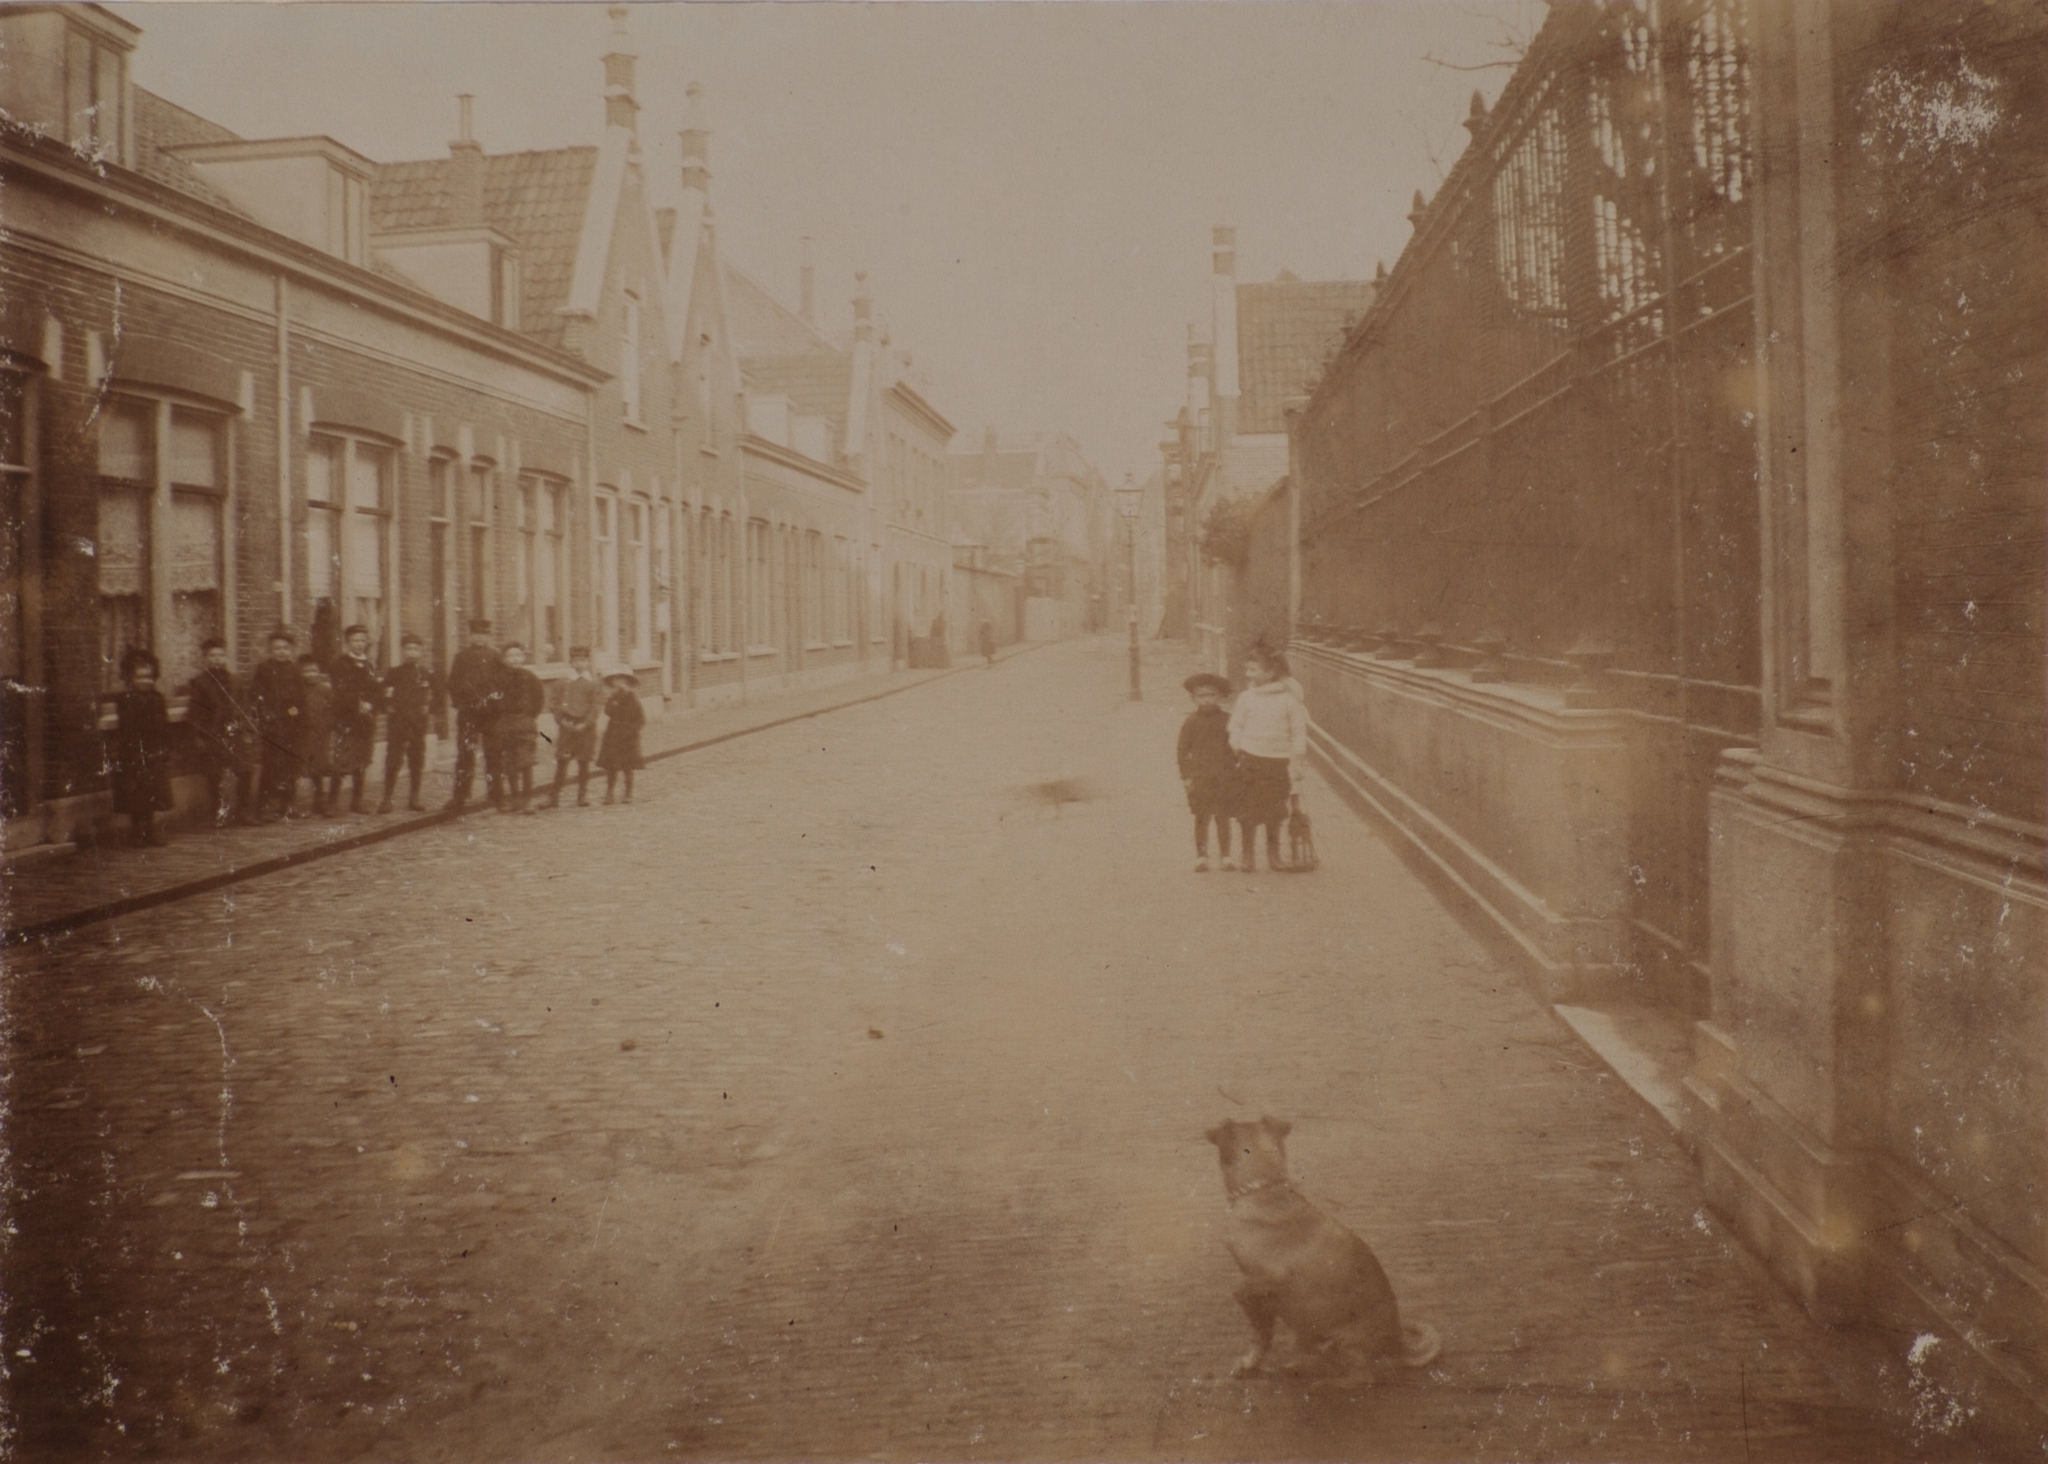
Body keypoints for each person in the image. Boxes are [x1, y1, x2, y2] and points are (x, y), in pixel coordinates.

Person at [1227, 646, 1309, 873]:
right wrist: (1236, 744)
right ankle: (1247, 854)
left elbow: (1298, 732)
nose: (1248, 674)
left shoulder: (1289, 700)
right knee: (1248, 810)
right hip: (1251, 760)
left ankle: (1274, 854)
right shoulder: (1247, 698)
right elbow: (1236, 724)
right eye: (1247, 669)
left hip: (1278, 763)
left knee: (1275, 810)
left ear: (1271, 672)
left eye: (1253, 670)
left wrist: (1297, 760)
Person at [108, 648, 176, 847]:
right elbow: (127, 726)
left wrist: (167, 746)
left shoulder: (157, 698)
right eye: (140, 677)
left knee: (152, 792)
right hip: (133, 752)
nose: (145, 681)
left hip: (154, 751)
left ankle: (149, 830)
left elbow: (164, 724)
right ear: (130, 678)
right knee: (136, 795)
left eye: (149, 677)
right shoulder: (125, 699)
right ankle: (137, 831)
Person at [185, 637, 250, 828]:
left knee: (244, 770)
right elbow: (195, 712)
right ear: (205, 658)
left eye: (220, 655)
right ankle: (218, 812)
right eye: (212, 656)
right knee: (215, 775)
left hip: (234, 733)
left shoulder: (235, 680)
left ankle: (243, 812)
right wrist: (199, 736)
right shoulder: (199, 683)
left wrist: (246, 730)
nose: (217, 659)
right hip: (212, 734)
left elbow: (244, 707)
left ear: (226, 657)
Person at [1178, 671, 1238, 872]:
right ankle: (1201, 856)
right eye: (1201, 696)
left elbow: (1236, 747)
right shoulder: (1191, 722)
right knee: (1202, 817)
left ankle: (1226, 856)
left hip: (1224, 776)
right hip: (1200, 777)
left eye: (1211, 695)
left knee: (1223, 817)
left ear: (1219, 696)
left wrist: (1236, 770)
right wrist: (1186, 777)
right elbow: (1182, 750)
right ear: (1193, 698)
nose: (1207, 700)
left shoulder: (1228, 720)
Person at [445, 618, 501, 812]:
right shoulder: (461, 657)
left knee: (493, 753)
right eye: (476, 634)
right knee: (465, 754)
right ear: (470, 636)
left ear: (488, 636)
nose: (479, 638)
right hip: (468, 713)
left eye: (483, 634)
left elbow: (502, 683)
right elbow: (452, 683)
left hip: (490, 714)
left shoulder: (495, 657)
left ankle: (496, 794)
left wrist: (496, 703)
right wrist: (460, 703)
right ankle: (460, 796)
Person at [378, 634, 438, 813]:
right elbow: (383, 693)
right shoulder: (394, 673)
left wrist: (429, 709)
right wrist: (388, 707)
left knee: (416, 760)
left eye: (415, 649)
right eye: (408, 649)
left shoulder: (426, 673)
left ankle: (414, 798)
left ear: (420, 652)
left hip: (417, 724)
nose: (412, 652)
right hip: (398, 723)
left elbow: (439, 694)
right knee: (393, 761)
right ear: (403, 651)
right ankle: (387, 799)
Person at [250, 629, 305, 821]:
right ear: (270, 650)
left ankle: (288, 804)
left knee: (290, 766)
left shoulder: (295, 670)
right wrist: (266, 714)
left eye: (285, 648)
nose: (281, 652)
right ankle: (265, 806)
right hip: (272, 725)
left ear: (291, 650)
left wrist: (291, 714)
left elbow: (301, 700)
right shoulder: (264, 669)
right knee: (271, 766)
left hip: (291, 725)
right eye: (277, 648)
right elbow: (256, 695)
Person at [327, 624, 380, 814]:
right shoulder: (340, 664)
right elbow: (339, 691)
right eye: (355, 640)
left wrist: (371, 705)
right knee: (341, 760)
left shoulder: (369, 665)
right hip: (346, 720)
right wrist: (357, 703)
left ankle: (356, 801)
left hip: (364, 722)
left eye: (362, 640)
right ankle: (332, 802)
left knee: (361, 761)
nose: (359, 644)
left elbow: (376, 692)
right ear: (348, 642)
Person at [541, 645, 602, 809]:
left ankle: (582, 796)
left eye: (583, 660)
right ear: (570, 662)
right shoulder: (563, 682)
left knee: (583, 762)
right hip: (567, 728)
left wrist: (585, 723)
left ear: (588, 662)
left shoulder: (594, 683)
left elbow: (596, 707)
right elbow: (554, 704)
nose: (579, 664)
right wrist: (561, 721)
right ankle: (553, 797)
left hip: (586, 729)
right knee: (562, 761)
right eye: (575, 660)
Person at [495, 641, 545, 814]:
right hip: (505, 725)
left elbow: (539, 700)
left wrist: (528, 717)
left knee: (526, 763)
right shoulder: (498, 678)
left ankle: (527, 799)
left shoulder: (530, 678)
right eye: (510, 656)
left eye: (518, 655)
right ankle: (515, 798)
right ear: (504, 659)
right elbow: (494, 701)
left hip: (525, 725)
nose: (514, 659)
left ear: (523, 657)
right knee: (510, 764)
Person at [596, 666, 645, 805]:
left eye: (622, 680)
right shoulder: (612, 698)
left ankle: (628, 793)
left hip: (628, 736)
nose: (618, 683)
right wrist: (614, 700)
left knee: (627, 767)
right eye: (615, 680)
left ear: (627, 682)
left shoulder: (632, 699)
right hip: (613, 734)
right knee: (611, 766)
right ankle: (609, 793)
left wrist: (632, 732)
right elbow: (608, 711)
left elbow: (640, 719)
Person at [296, 655, 337, 816]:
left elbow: (332, 709)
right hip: (303, 733)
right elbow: (291, 708)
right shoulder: (298, 690)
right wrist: (294, 716)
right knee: (303, 766)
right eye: (307, 671)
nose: (311, 674)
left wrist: (328, 724)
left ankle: (320, 800)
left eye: (314, 670)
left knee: (319, 766)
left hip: (321, 733)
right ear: (301, 673)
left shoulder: (325, 690)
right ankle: (292, 802)